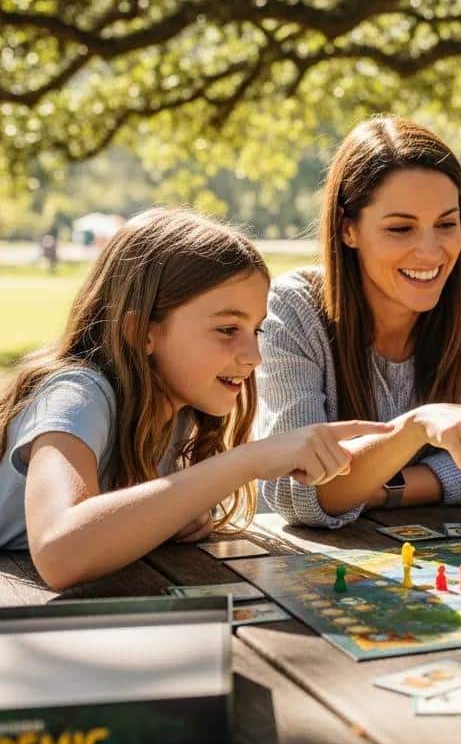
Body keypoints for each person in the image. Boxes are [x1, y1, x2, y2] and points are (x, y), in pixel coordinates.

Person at [0, 209, 391, 590]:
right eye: (227, 329)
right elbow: (60, 552)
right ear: (141, 332)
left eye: (256, 330)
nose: (253, 355)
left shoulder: (180, 410)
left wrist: (171, 516)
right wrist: (245, 462)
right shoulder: (77, 396)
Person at [258, 118, 461, 529]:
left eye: (447, 224)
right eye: (400, 228)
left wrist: (372, 489)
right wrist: (414, 429)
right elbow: (298, 493)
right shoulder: (295, 306)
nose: (430, 253)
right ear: (348, 228)